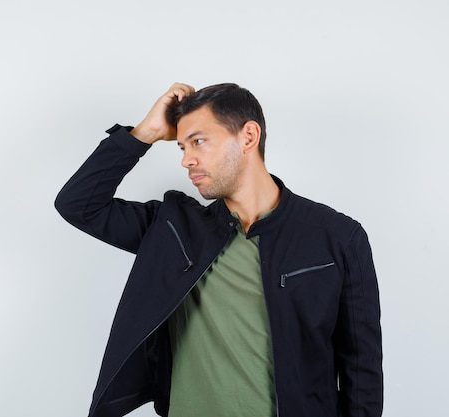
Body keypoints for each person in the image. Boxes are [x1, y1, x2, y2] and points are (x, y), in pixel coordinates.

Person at [55, 83, 383, 417]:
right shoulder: (174, 228)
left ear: (248, 137)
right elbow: (78, 205)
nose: (186, 160)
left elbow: (361, 370)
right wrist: (145, 133)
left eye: (198, 141)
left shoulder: (338, 237)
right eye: (181, 147)